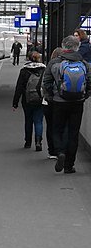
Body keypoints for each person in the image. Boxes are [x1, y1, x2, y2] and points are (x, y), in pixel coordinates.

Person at [42, 35, 91, 173]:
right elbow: (89, 82)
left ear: (63, 46)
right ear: (77, 47)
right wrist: (84, 95)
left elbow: (46, 82)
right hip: (77, 103)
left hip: (59, 102)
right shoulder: (84, 63)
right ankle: (69, 166)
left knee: (57, 129)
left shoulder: (54, 63)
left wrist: (50, 97)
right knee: (73, 133)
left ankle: (60, 152)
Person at [12, 51, 46, 150]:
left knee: (28, 120)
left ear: (28, 58)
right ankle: (38, 142)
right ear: (39, 58)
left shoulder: (24, 71)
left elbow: (19, 88)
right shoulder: (44, 69)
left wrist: (15, 103)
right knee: (38, 121)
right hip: (40, 99)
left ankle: (28, 142)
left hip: (27, 100)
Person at [42, 47, 64, 159]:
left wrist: (49, 96)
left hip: (49, 102)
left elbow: (45, 84)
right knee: (63, 126)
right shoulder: (67, 66)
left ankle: (53, 151)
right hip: (65, 101)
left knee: (51, 126)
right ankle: (62, 150)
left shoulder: (50, 65)